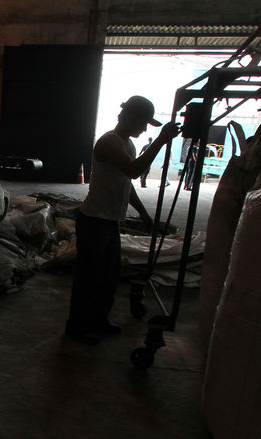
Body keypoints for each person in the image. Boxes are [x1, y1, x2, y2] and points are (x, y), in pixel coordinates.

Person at [65, 96, 180, 344]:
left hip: (109, 222)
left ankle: (97, 321)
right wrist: (160, 140)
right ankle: (77, 328)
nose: (144, 129)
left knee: (108, 277)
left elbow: (127, 183)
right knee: (89, 279)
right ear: (130, 118)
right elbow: (133, 171)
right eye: (144, 123)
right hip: (94, 221)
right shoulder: (109, 142)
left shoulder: (128, 145)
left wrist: (143, 213)